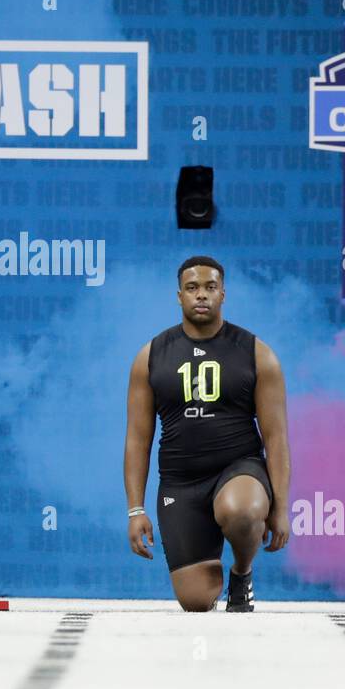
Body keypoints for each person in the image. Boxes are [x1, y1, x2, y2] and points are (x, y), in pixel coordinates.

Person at [123, 255, 292, 611]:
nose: (202, 295)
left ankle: (242, 574)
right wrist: (135, 510)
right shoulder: (151, 356)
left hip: (238, 469)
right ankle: (207, 572)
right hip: (180, 483)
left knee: (241, 510)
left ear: (223, 294)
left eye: (210, 287)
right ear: (179, 296)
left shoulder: (256, 354)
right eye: (192, 287)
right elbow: (138, 439)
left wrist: (280, 507)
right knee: (196, 601)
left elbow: (276, 438)